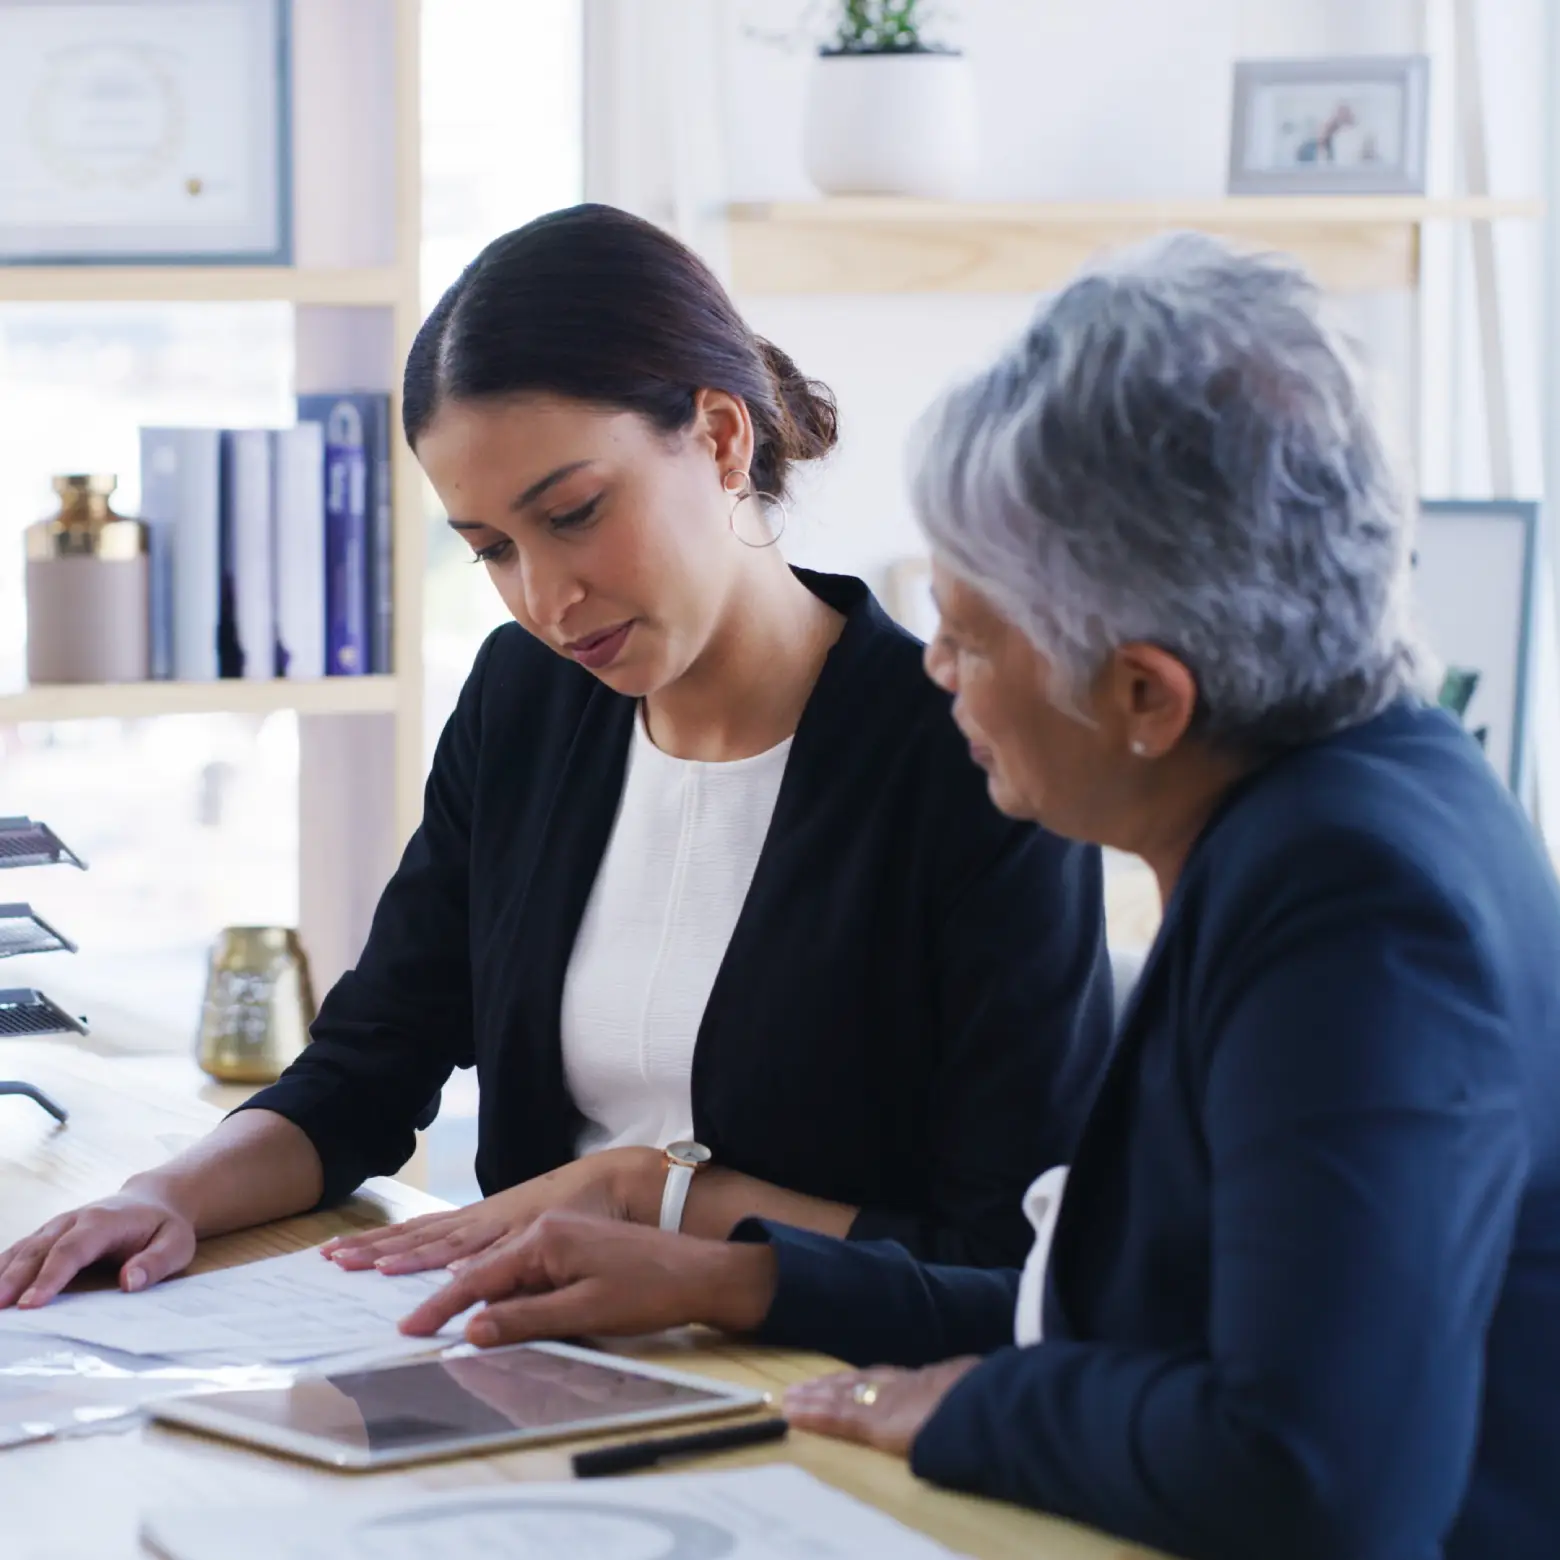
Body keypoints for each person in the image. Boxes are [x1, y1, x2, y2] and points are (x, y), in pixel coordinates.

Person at [390, 233, 1560, 1560]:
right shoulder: (1343, 811)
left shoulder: (1356, 913)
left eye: (967, 631)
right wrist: (742, 1279)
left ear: (1143, 696)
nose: (934, 670)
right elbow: (1124, 1318)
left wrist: (957, 1410)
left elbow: (1312, 1474)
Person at [0, 205, 1114, 1313]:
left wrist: (648, 1194)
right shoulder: (523, 703)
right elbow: (364, 1072)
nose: (545, 600)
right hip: (524, 1365)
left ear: (723, 438)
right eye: (490, 550)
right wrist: (166, 1195)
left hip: (827, 1396)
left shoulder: (972, 757)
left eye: (575, 513)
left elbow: (1006, 1265)